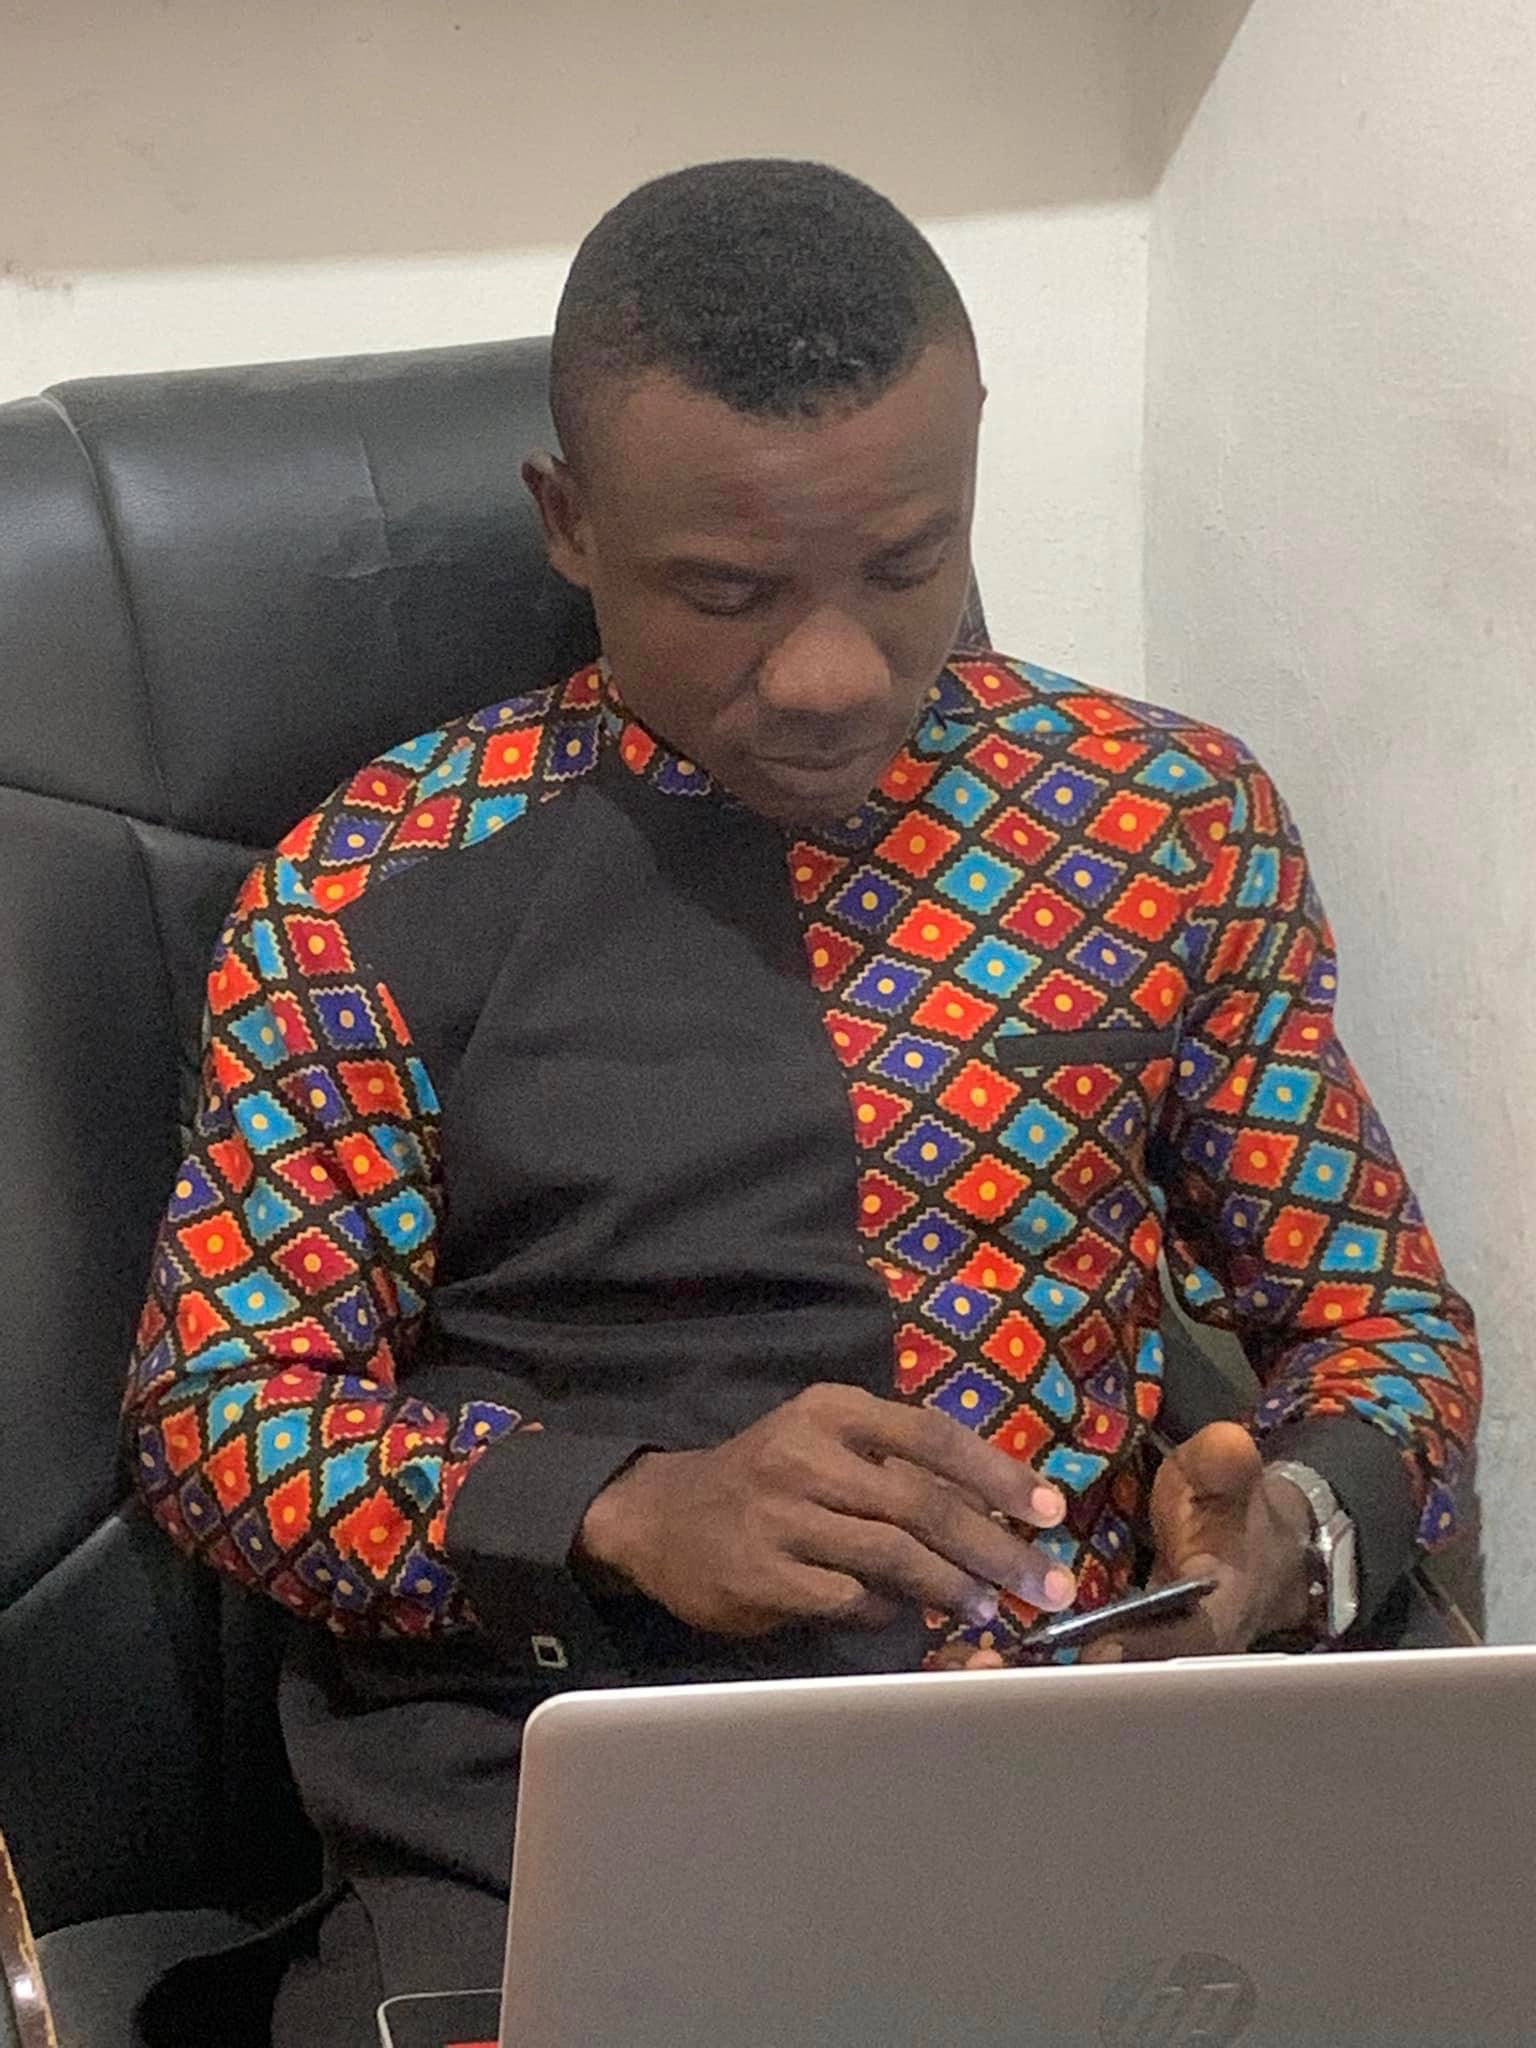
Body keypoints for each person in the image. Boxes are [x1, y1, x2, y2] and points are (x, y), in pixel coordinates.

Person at [125, 159, 1480, 2045]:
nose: (834, 675)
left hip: (1093, 1770)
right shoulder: (370, 894)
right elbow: (217, 1420)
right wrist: (619, 1510)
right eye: (728, 593)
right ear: (571, 522)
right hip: (576, 1808)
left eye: (908, 566)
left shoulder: (1165, 823)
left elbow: (1381, 1325)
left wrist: (1292, 1535)